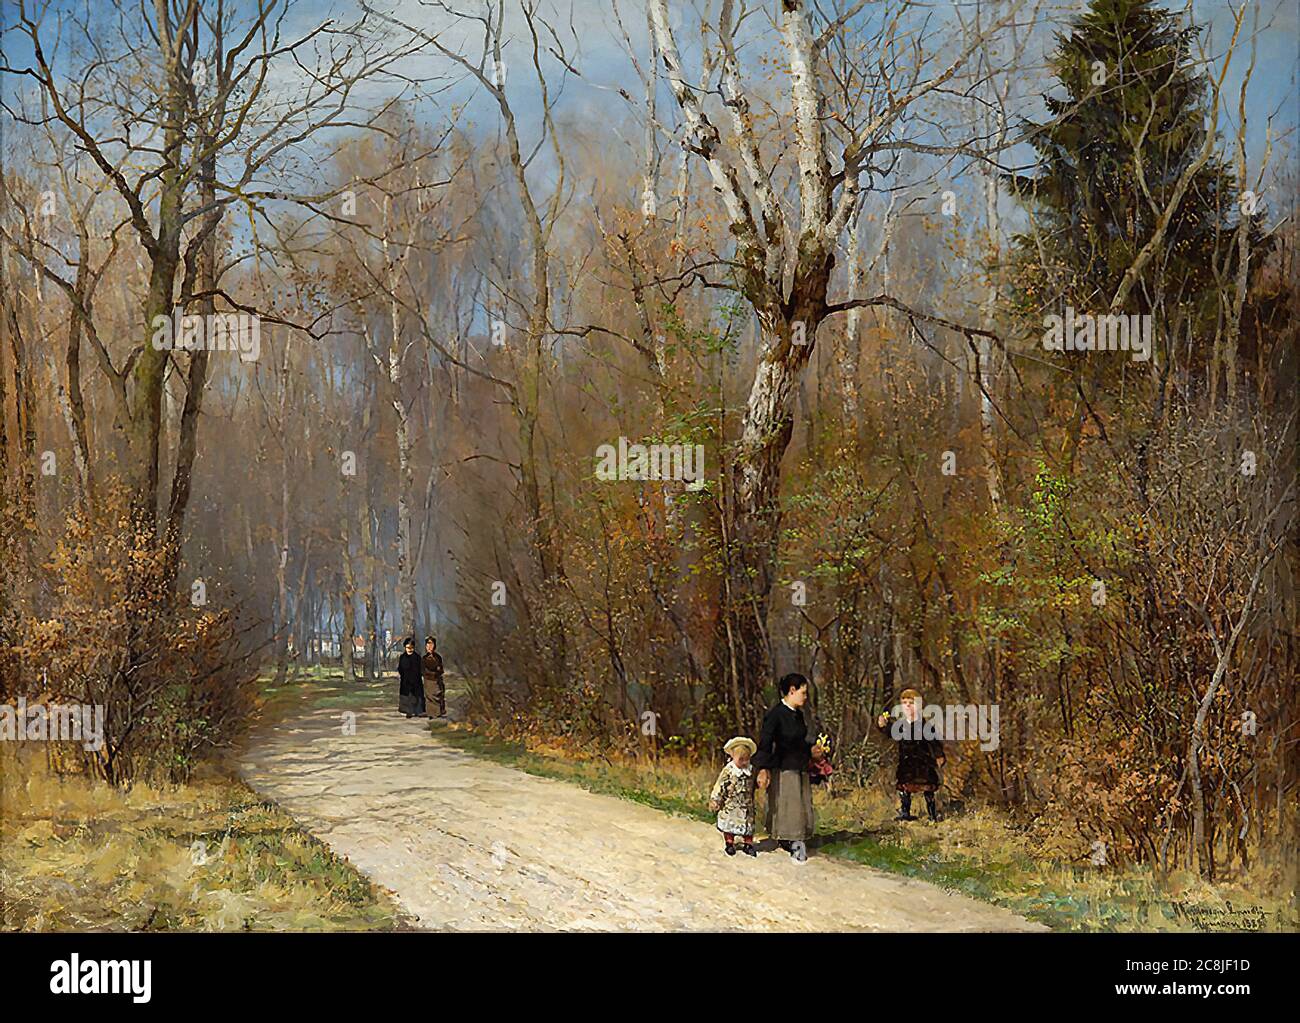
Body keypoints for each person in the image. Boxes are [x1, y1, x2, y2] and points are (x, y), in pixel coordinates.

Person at [753, 673, 825, 860]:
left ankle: (794, 839)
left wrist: (812, 750)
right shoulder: (775, 714)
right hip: (784, 767)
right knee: (788, 805)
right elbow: (766, 743)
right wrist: (762, 768)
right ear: (791, 691)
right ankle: (792, 842)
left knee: (799, 805)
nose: (806, 697)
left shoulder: (799, 715)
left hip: (799, 765)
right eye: (803, 692)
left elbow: (799, 741)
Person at [877, 688, 945, 821]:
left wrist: (938, 755)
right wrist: (883, 726)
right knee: (905, 787)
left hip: (923, 761)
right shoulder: (900, 724)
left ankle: (932, 815)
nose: (907, 705)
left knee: (928, 789)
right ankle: (905, 813)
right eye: (904, 702)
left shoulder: (925, 724)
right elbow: (891, 733)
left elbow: (934, 741)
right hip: (906, 762)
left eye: (911, 702)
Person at [709, 737, 758, 857]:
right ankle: (730, 843)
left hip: (746, 803)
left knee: (747, 823)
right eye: (741, 759)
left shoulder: (750, 771)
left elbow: (752, 785)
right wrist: (716, 799)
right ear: (733, 757)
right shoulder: (729, 771)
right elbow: (720, 784)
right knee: (729, 823)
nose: (744, 762)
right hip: (731, 803)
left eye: (746, 759)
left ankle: (748, 844)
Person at [397, 637, 426, 718]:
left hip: (416, 681)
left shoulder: (417, 657)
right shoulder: (402, 657)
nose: (410, 649)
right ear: (405, 648)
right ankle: (407, 711)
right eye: (408, 648)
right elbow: (400, 668)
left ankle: (418, 711)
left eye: (411, 648)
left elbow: (420, 669)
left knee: (417, 697)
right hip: (405, 681)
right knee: (406, 697)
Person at [422, 636, 446, 717]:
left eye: (431, 644)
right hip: (428, 680)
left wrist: (437, 671)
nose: (429, 647)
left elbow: (440, 669)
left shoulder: (438, 657)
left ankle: (439, 712)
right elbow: (424, 670)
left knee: (438, 695)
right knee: (430, 698)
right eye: (428, 645)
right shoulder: (424, 658)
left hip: (437, 680)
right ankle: (431, 714)